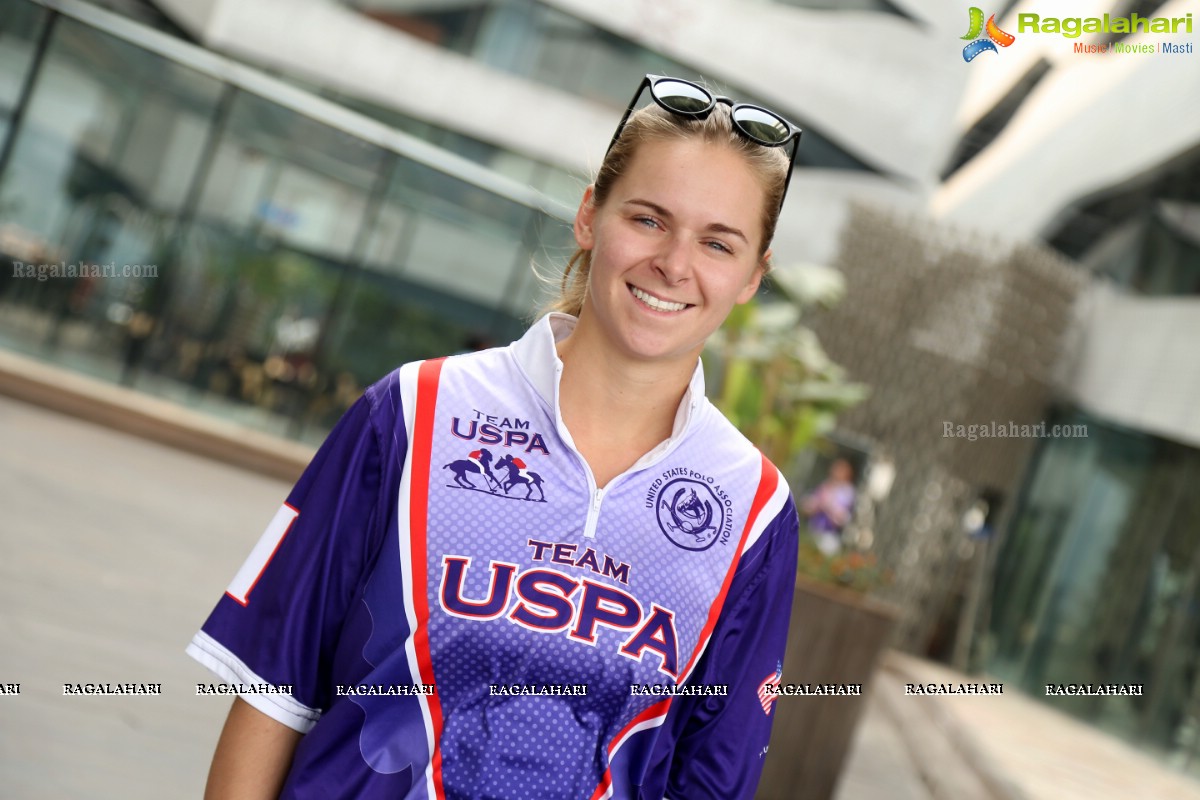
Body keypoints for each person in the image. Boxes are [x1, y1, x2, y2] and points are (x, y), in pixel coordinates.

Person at [187, 74, 803, 800]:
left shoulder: (753, 508)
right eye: (648, 219)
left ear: (753, 276)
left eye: (718, 243)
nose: (673, 263)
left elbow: (712, 780)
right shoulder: (413, 411)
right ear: (590, 216)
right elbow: (273, 691)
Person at [801, 458, 856, 555]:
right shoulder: (826, 485)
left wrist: (827, 505)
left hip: (829, 537)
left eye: (840, 469)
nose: (835, 471)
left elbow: (842, 518)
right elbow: (809, 506)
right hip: (813, 531)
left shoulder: (847, 492)